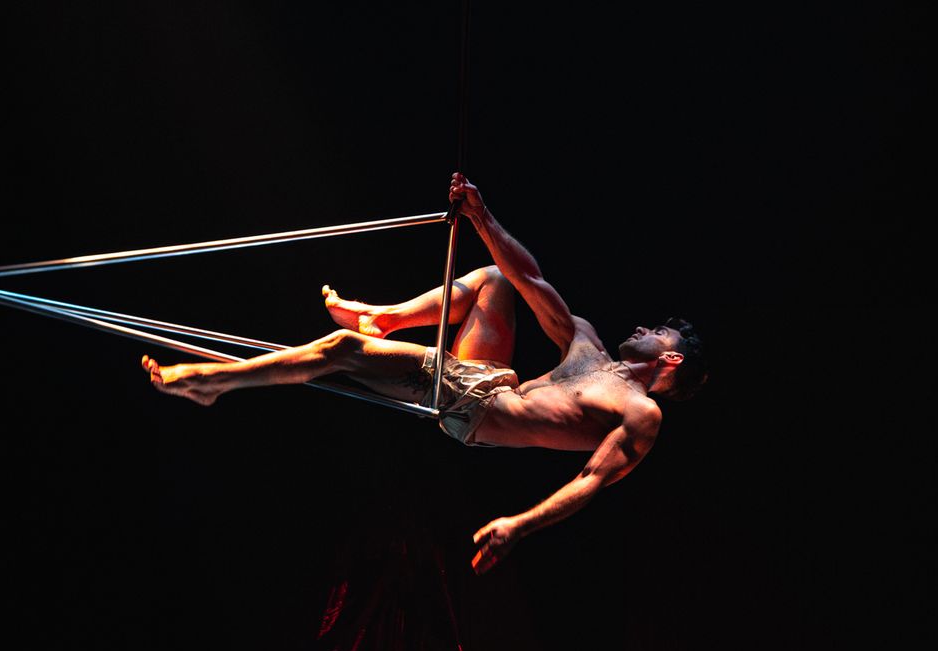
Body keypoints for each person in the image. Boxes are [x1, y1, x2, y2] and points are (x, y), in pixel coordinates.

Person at [141, 173, 707, 574]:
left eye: (658, 331)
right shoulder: (586, 340)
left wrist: (518, 524)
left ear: (671, 358)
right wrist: (482, 215)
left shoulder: (641, 414)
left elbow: (591, 482)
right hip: (489, 378)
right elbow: (530, 277)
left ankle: (213, 383)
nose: (644, 327)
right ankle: (384, 317)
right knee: (497, 280)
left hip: (475, 408)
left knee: (342, 348)